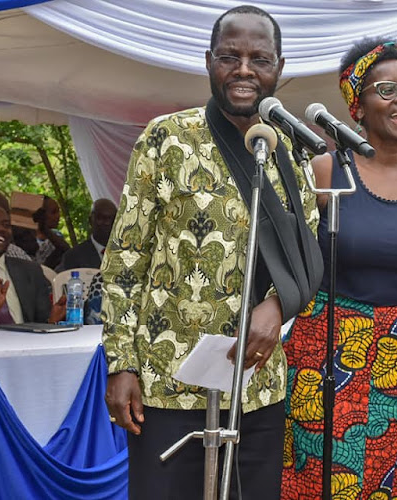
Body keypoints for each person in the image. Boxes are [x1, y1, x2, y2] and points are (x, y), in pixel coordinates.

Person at [101, 6, 321, 499]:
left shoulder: (292, 150)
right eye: (230, 56)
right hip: (166, 379)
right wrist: (120, 364)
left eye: (259, 59)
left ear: (279, 68)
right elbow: (124, 261)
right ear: (208, 62)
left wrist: (278, 304)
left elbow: (308, 255)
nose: (244, 70)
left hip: (256, 385)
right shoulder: (166, 138)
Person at [281, 39, 397, 499]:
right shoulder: (322, 173)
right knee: (315, 486)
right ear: (356, 105)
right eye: (387, 89)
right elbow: (284, 267)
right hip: (322, 360)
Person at [56, 198, 117, 272]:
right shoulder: (73, 256)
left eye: (110, 219)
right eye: (99, 218)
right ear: (90, 220)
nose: (105, 223)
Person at [33, 195, 70, 269]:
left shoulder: (56, 235)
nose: (58, 216)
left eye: (58, 211)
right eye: (53, 212)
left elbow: (67, 251)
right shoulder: (28, 239)